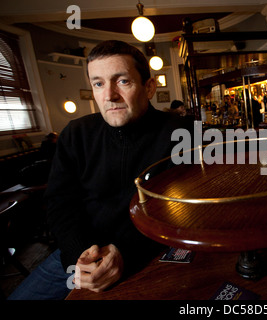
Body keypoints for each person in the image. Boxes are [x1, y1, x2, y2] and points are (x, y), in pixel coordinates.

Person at [8, 40, 192, 300]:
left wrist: (125, 252)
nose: (109, 95)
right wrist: (79, 256)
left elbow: (181, 210)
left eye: (123, 81)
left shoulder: (181, 134)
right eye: (98, 83)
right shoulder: (75, 134)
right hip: (81, 254)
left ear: (149, 87)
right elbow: (60, 204)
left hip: (149, 251)